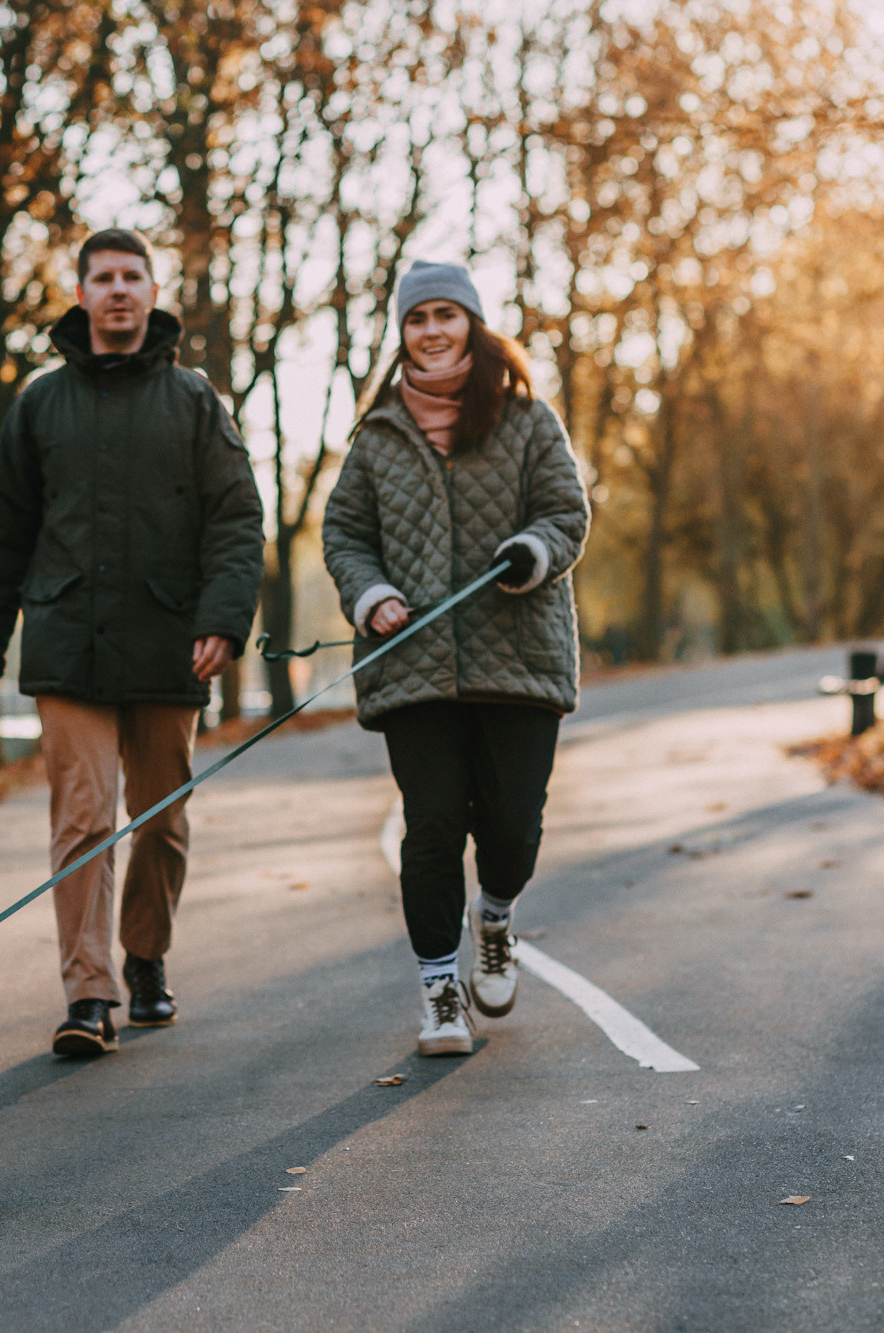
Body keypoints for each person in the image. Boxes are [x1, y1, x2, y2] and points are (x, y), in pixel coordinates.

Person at [0, 228, 265, 1057]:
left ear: (153, 293)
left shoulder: (195, 401)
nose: (118, 289)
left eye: (133, 276)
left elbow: (236, 518)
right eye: (103, 277)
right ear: (81, 294)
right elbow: (2, 530)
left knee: (159, 820)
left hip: (170, 645)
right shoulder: (40, 404)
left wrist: (223, 618)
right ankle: (88, 992)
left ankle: (147, 957)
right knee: (83, 819)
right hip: (67, 645)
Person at [321, 260, 590, 1056]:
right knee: (432, 826)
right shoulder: (375, 439)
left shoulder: (527, 419)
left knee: (512, 828)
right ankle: (440, 991)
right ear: (400, 332)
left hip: (521, 660)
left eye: (446, 313)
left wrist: (532, 550)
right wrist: (371, 597)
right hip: (414, 668)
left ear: (472, 322)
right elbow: (346, 536)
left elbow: (566, 510)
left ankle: (496, 914)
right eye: (417, 318)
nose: (432, 329)